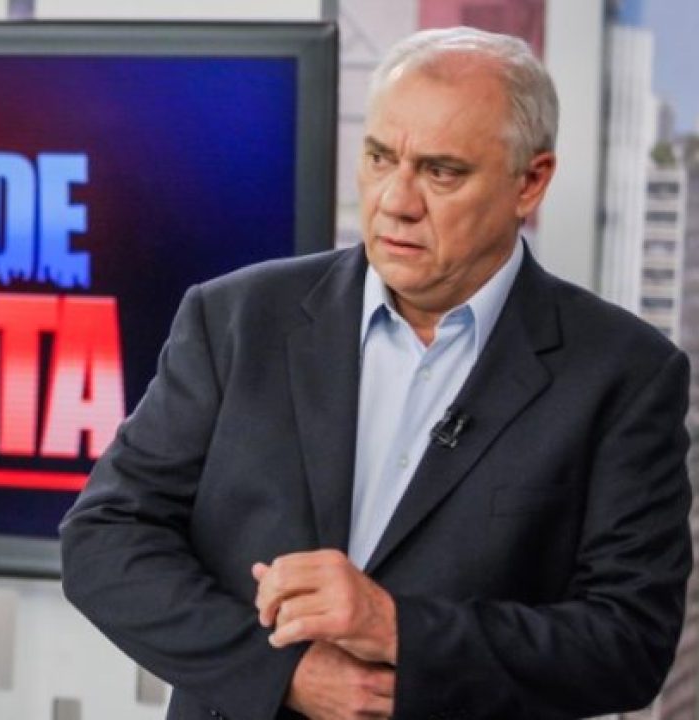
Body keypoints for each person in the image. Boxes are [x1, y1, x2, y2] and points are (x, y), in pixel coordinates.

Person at [59, 26, 692, 720]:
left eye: (441, 172)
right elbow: (104, 538)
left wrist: (397, 628)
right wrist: (283, 674)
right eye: (380, 157)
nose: (396, 200)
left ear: (530, 181)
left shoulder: (624, 374)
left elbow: (629, 642)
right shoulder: (238, 318)